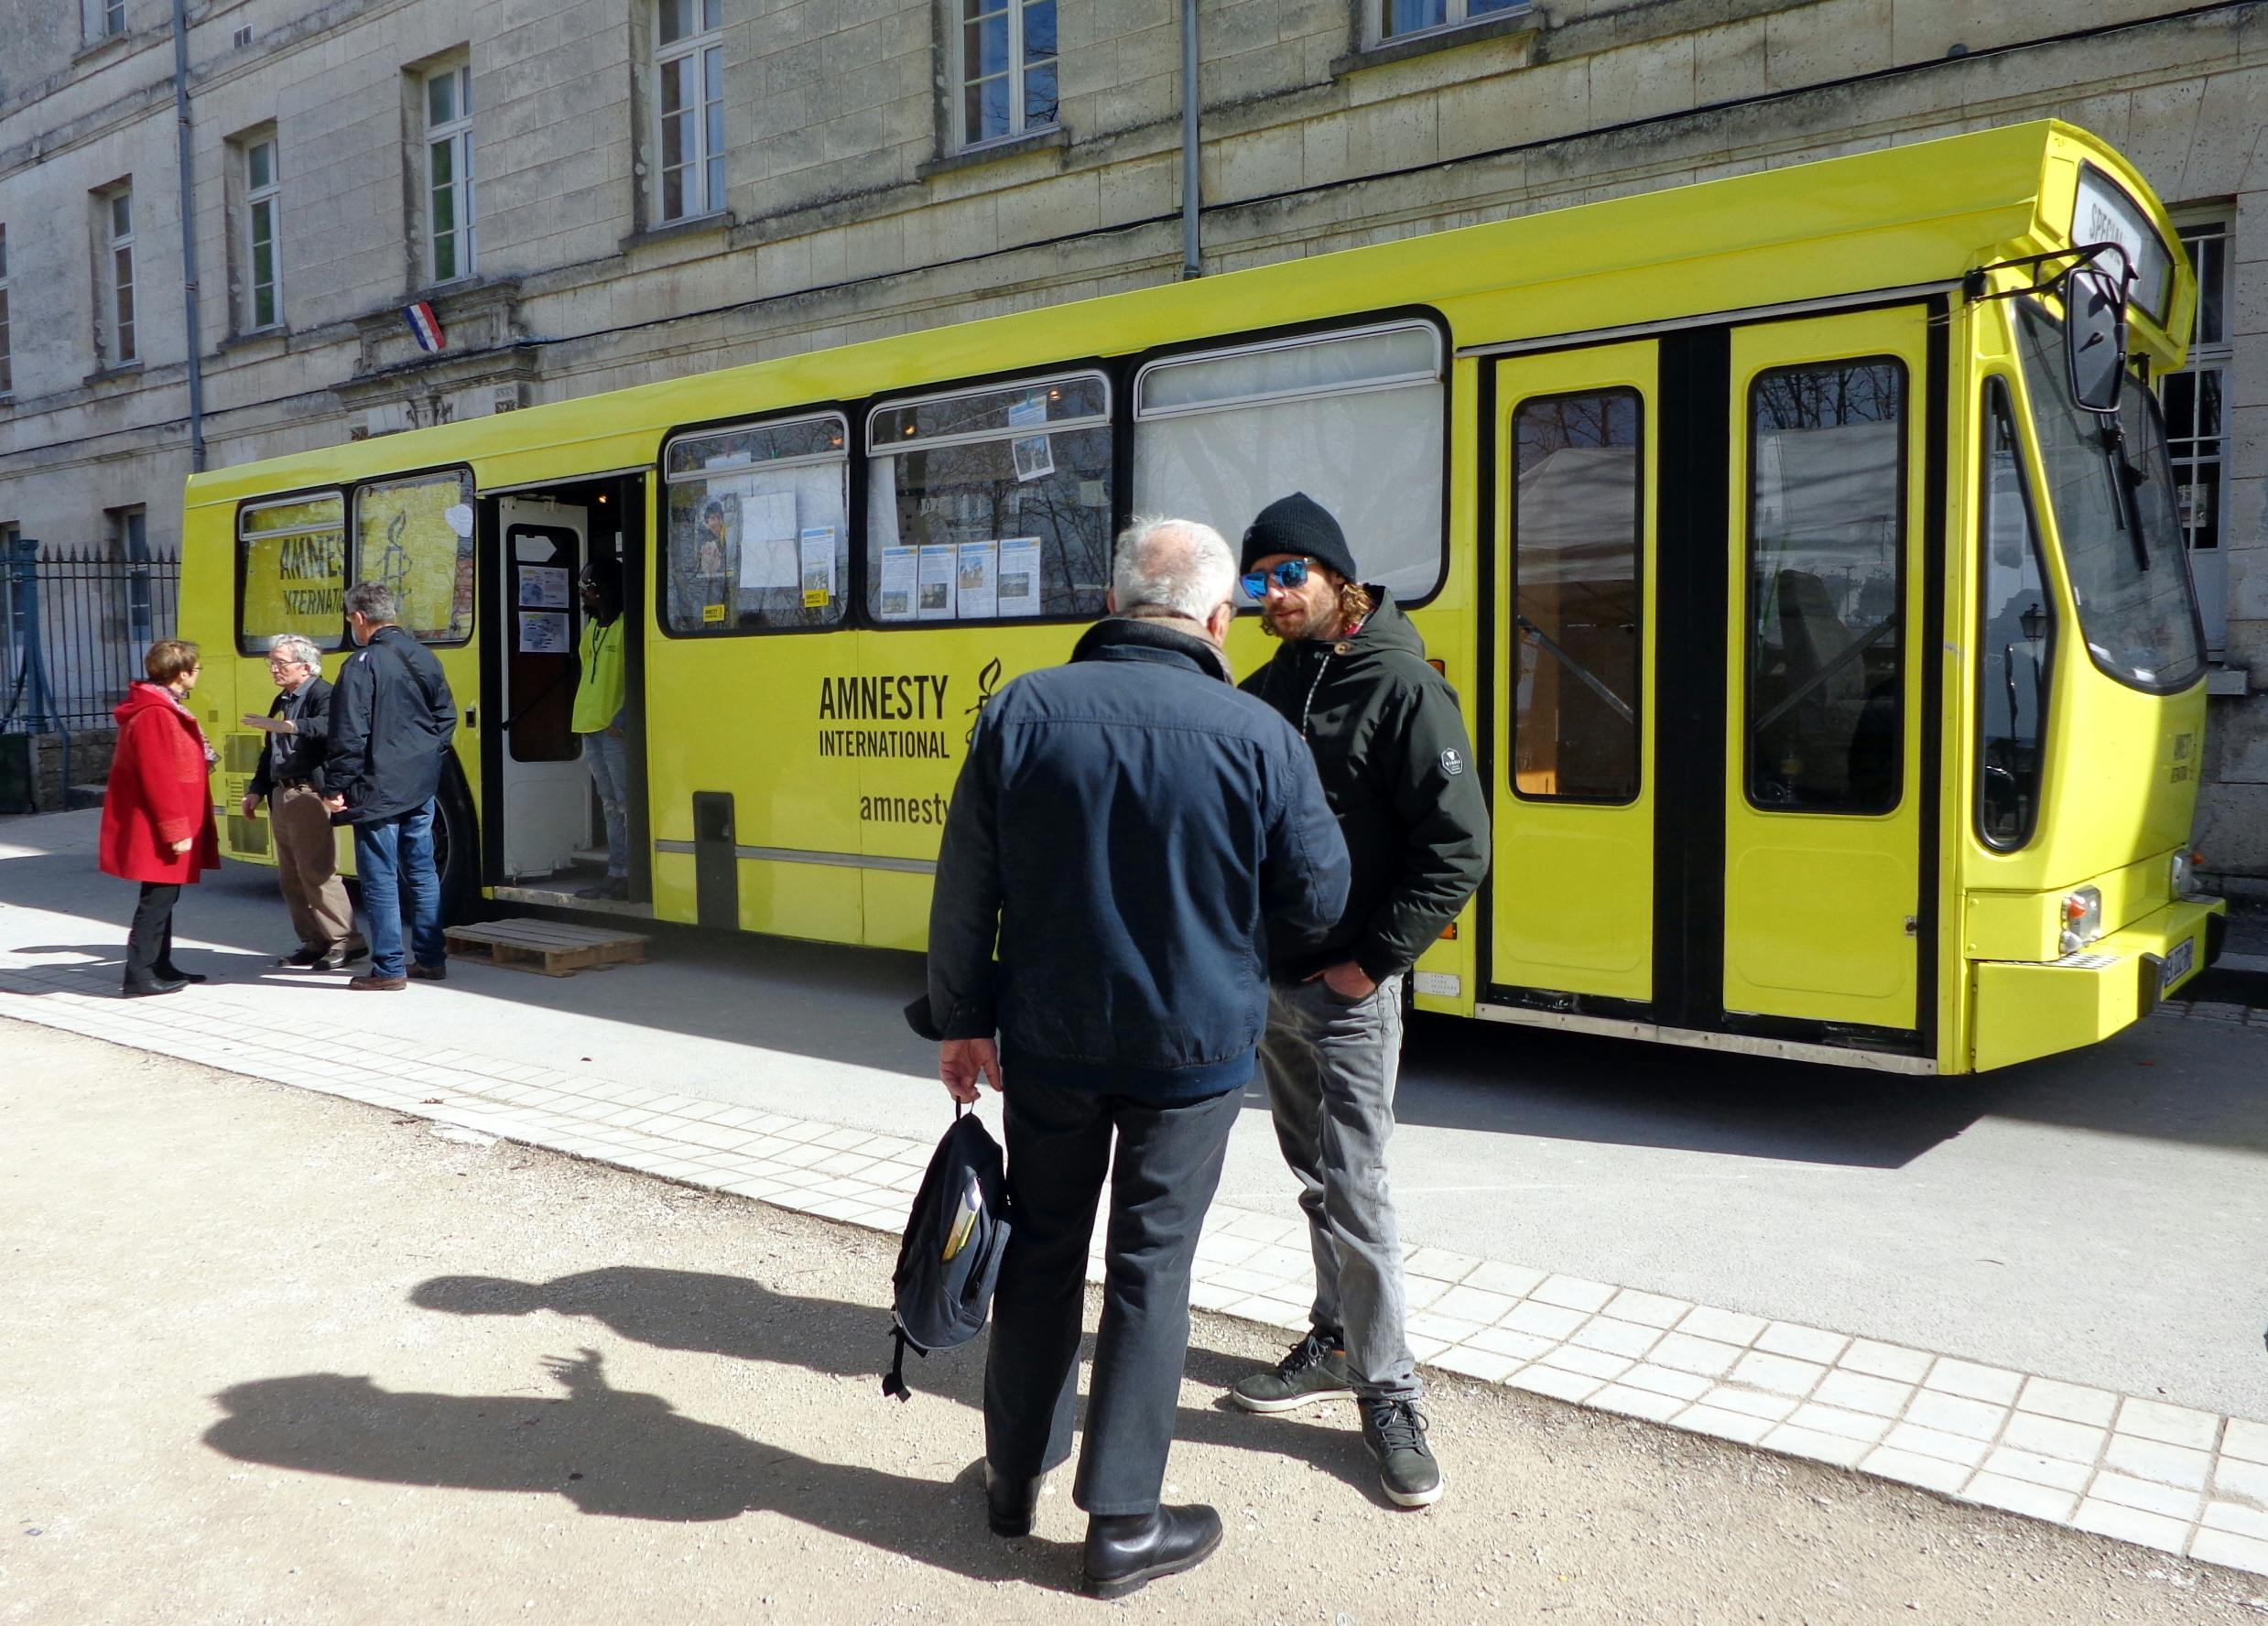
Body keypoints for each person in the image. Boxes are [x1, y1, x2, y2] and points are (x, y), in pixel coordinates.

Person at [922, 517, 1348, 1599]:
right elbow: (1318, 901)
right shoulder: (1256, 735)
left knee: (1043, 1247)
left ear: (1112, 603)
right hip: (1190, 1053)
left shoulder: (1020, 710)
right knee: (1151, 1272)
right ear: (1214, 618)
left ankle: (1013, 1480)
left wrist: (962, 1016)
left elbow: (965, 884)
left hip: (1050, 1042)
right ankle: (1120, 1524)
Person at [1229, 492, 1490, 1510]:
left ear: (1342, 579)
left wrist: (1369, 964)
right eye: (1257, 579)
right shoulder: (1271, 682)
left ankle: (1389, 1395)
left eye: (1290, 573)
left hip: (1346, 989)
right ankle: (1335, 1340)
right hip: (1276, 981)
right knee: (1313, 1177)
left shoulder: (1403, 689)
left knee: (1359, 1186)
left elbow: (1456, 849)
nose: (1272, 593)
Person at [323, 582, 459, 991]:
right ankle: (431, 958)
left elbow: (349, 733)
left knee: (380, 875)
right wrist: (424, 759)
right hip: (420, 784)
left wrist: (335, 785)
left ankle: (388, 968)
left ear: (360, 618)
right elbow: (446, 718)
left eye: (351, 619)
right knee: (422, 871)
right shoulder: (424, 656)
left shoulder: (361, 663)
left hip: (378, 786)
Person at [98, 639, 221, 997]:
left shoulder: (162, 706)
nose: (198, 675)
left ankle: (159, 965)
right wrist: (175, 828)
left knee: (165, 898)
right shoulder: (155, 712)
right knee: (157, 899)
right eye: (196, 669)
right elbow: (158, 775)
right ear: (181, 674)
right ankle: (139, 975)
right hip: (158, 825)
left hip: (165, 821)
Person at [239, 634, 365, 969]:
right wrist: (256, 789)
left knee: (318, 871)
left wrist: (289, 725)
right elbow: (271, 751)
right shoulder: (283, 697)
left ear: (306, 666)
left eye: (280, 662)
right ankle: (313, 941)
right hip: (282, 793)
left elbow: (331, 728)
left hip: (310, 793)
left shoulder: (324, 694)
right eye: (272, 662)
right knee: (291, 876)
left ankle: (345, 941)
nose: (274, 669)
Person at [571, 558, 631, 900]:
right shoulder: (593, 627)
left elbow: (635, 677)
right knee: (610, 803)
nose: (586, 597)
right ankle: (616, 870)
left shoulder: (625, 627)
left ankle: (630, 873)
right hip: (589, 724)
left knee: (625, 803)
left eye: (590, 590)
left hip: (612, 729)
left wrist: (619, 720)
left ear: (606, 590)